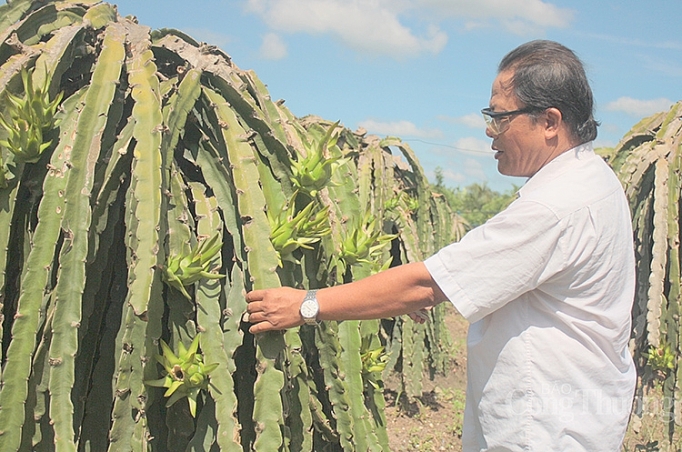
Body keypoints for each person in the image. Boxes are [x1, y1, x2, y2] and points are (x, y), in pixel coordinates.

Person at [245, 40, 636, 451]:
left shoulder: (555, 205)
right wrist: (447, 285)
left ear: (550, 121)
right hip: (576, 414)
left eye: (499, 117)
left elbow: (424, 285)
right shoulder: (593, 180)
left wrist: (305, 305)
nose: (489, 130)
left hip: (543, 429)